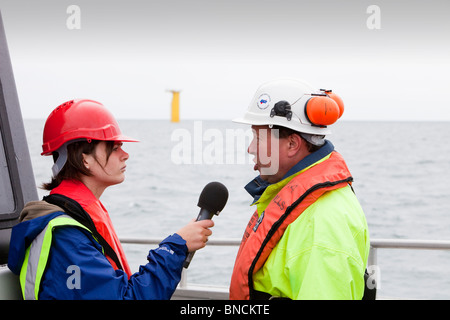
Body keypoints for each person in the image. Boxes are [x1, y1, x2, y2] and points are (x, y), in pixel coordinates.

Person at [8, 99, 214, 300]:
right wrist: (175, 247)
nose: (125, 155)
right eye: (114, 147)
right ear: (84, 159)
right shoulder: (67, 237)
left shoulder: (70, 217)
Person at [229, 79, 370, 300]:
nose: (250, 148)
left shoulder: (322, 223)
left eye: (258, 137)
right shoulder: (304, 203)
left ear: (293, 144)